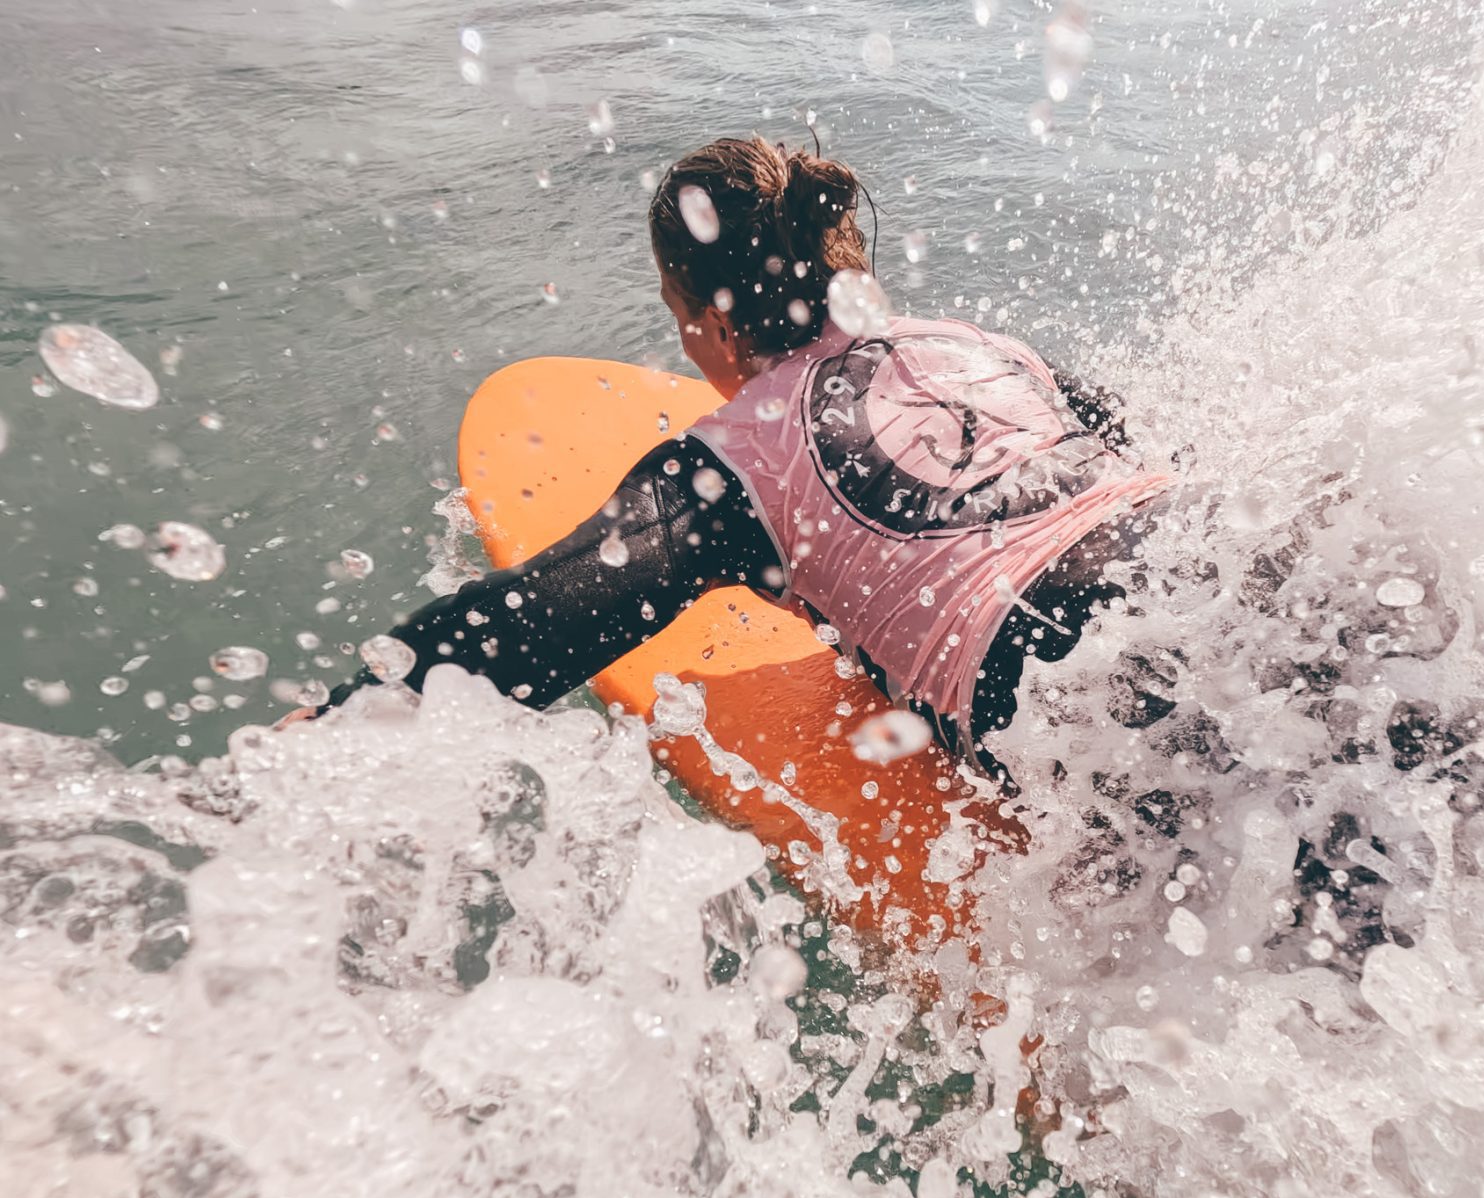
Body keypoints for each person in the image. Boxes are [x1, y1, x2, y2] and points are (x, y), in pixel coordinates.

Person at [314, 136, 1172, 773]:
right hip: (1197, 552)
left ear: (718, 324)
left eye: (676, 314)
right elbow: (1137, 450)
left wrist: (335, 730)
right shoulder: (979, 345)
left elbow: (530, 620)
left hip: (1099, 690)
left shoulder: (733, 466)